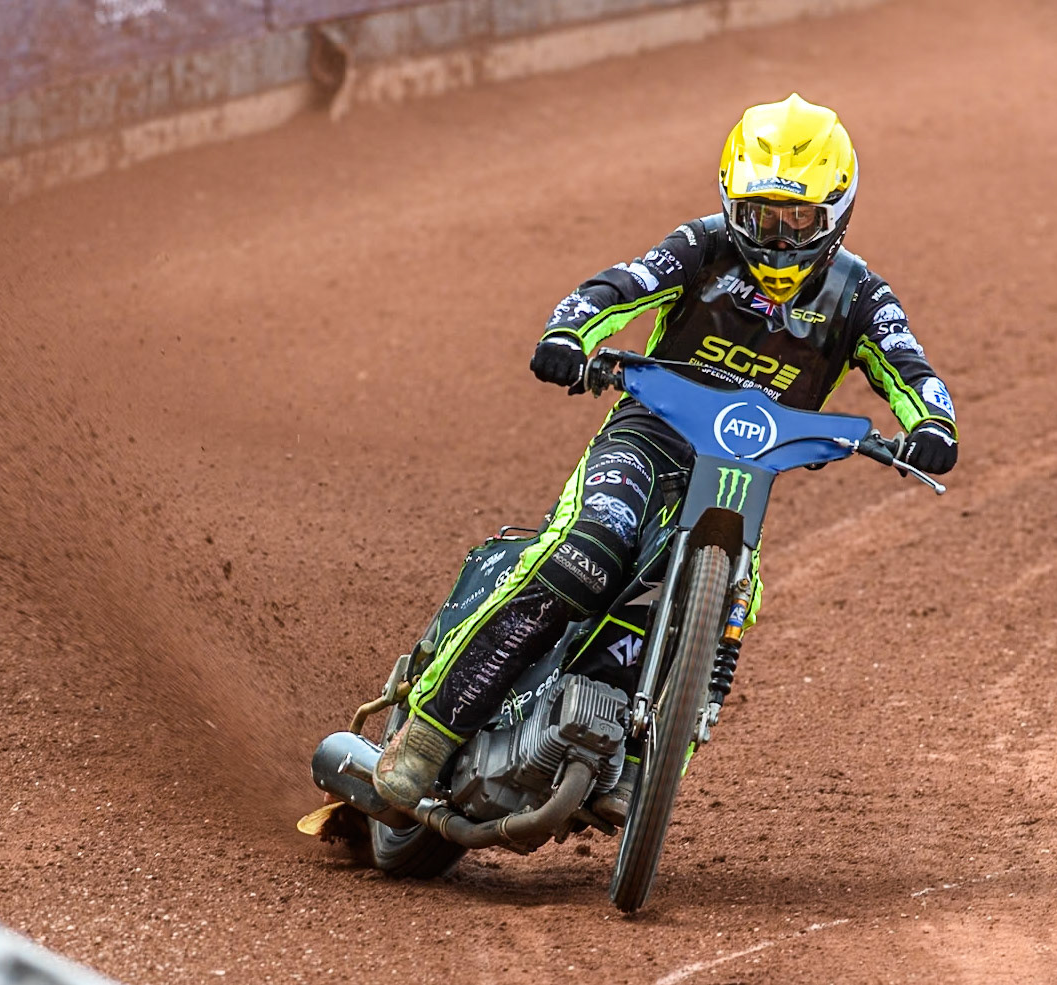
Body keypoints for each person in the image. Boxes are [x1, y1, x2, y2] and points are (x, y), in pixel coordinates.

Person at [374, 93, 958, 822]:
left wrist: (931, 422)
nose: (777, 237)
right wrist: (570, 334)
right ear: (730, 203)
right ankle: (429, 733)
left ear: (834, 212)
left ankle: (643, 771)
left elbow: (910, 367)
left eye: (797, 218)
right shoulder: (702, 247)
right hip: (648, 436)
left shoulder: (860, 296)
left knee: (729, 606)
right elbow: (623, 285)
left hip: (740, 473)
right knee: (590, 548)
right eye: (761, 215)